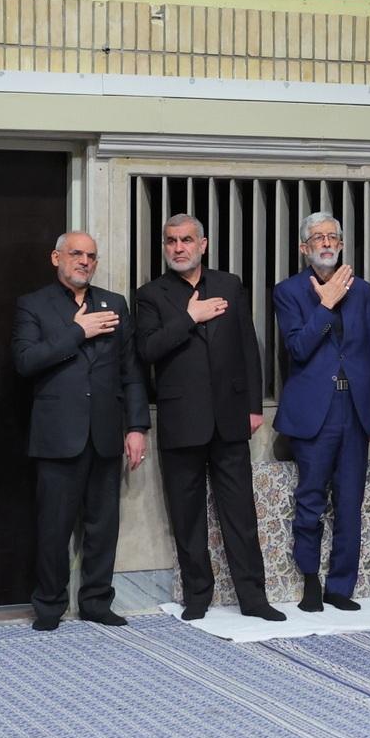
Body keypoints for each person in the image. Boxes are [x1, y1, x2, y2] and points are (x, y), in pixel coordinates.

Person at [133, 214, 284, 622]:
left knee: (240, 513)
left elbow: (247, 346)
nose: (178, 248)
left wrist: (254, 405)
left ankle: (254, 598)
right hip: (182, 419)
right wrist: (190, 317)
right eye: (171, 241)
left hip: (230, 417)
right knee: (187, 516)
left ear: (203, 244)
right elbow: (147, 350)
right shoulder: (150, 295)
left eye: (186, 240)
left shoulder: (229, 284)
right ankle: (197, 595)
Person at [11, 230, 147, 631]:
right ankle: (49, 606)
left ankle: (96, 602)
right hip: (57, 435)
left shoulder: (114, 304)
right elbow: (26, 360)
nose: (84, 261)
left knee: (103, 527)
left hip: (105, 433)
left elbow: (131, 372)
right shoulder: (33, 304)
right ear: (57, 258)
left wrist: (136, 426)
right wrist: (78, 331)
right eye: (76, 254)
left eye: (91, 256)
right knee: (53, 527)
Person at [273, 212, 370, 612]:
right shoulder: (288, 291)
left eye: (332, 237)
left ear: (340, 244)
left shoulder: (363, 290)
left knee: (350, 502)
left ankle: (341, 586)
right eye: (317, 237)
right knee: (311, 499)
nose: (326, 242)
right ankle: (310, 580)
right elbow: (298, 348)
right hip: (314, 412)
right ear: (304, 248)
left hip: (353, 408)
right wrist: (326, 304)